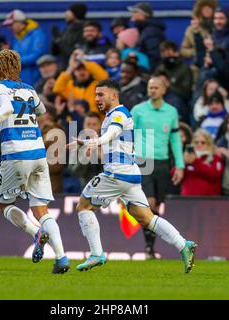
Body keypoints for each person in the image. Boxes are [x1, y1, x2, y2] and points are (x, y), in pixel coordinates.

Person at [67, 79, 197, 273]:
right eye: (95, 95)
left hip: (116, 174)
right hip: (131, 175)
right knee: (146, 218)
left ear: (114, 95)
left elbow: (112, 133)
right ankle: (183, 245)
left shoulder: (119, 113)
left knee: (83, 206)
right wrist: (88, 143)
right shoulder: (113, 114)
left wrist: (98, 141)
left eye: (101, 95)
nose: (97, 99)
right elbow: (113, 141)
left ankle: (96, 254)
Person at [0, 49, 70, 274]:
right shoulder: (29, 89)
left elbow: (6, 108)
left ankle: (36, 234)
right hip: (38, 152)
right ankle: (62, 258)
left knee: (4, 204)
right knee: (41, 209)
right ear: (17, 67)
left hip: (16, 153)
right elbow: (42, 110)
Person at [131, 76, 185, 259]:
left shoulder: (171, 112)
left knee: (157, 206)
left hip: (162, 162)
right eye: (150, 87)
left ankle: (150, 246)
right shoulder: (138, 111)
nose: (152, 90)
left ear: (164, 90)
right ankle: (148, 247)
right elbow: (129, 136)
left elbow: (175, 139)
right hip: (142, 161)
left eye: (155, 87)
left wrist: (180, 165)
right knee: (150, 202)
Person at [53, 49, 108, 114]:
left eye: (84, 69)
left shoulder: (97, 85)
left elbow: (104, 77)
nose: (81, 72)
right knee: (71, 119)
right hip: (74, 119)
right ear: (74, 72)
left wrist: (85, 62)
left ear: (89, 71)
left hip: (94, 120)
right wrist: (71, 67)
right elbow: (56, 89)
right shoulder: (70, 86)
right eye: (78, 70)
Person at [3, 10, 47, 85]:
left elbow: (38, 54)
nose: (9, 28)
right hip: (20, 80)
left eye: (11, 24)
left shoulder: (37, 34)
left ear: (21, 23)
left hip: (35, 78)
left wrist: (16, 61)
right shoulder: (17, 38)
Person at [181, 129, 224, 196]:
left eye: (203, 142)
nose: (199, 144)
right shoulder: (186, 157)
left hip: (208, 201)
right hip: (188, 200)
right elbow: (175, 175)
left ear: (209, 144)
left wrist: (195, 161)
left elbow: (214, 175)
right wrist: (182, 163)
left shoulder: (215, 158)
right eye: (196, 142)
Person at [128, 2, 166, 70]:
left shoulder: (151, 31)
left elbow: (155, 56)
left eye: (135, 12)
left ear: (144, 14)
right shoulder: (145, 30)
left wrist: (151, 74)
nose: (132, 14)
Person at [51, 3, 87, 70]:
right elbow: (55, 52)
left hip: (77, 69)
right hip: (64, 68)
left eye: (69, 11)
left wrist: (60, 42)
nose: (66, 13)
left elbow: (74, 53)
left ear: (75, 13)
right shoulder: (67, 29)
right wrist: (55, 41)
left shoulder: (84, 30)